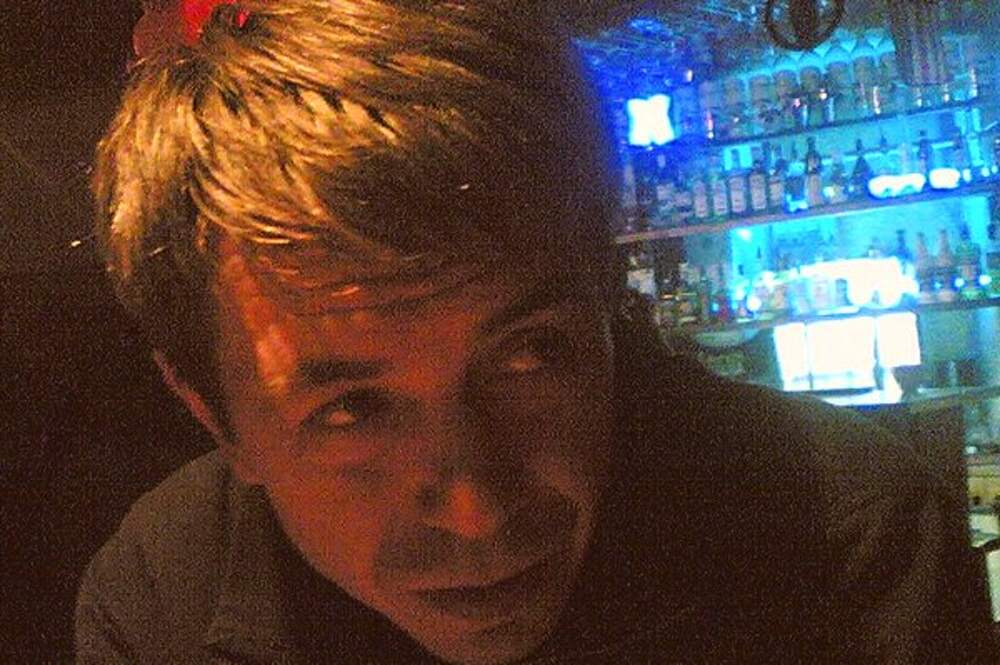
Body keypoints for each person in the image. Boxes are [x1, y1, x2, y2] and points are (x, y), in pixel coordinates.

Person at [75, 1, 989, 663]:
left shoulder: (848, 537)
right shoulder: (160, 596)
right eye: (352, 408)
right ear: (215, 416)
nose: (477, 506)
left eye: (530, 355)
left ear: (607, 313)